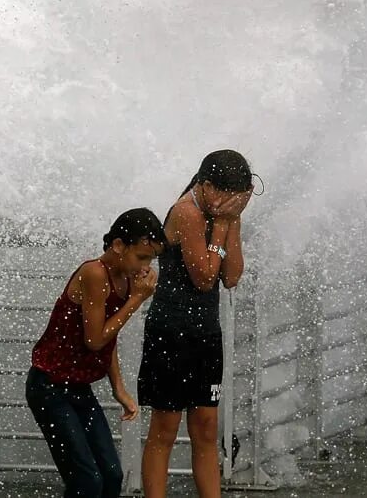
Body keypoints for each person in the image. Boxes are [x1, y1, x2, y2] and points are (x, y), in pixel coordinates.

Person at [26, 208, 165, 498]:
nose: (146, 267)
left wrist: (119, 388)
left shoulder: (125, 279)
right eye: (141, 257)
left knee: (112, 477)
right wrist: (137, 300)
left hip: (78, 389)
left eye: (151, 259)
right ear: (117, 245)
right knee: (87, 482)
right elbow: (95, 340)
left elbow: (108, 336)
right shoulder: (94, 273)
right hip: (49, 388)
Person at [139, 150, 254, 498]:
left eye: (239, 195)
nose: (232, 201)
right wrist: (220, 228)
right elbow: (204, 277)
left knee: (206, 428)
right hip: (171, 331)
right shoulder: (187, 212)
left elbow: (231, 276)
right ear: (205, 186)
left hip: (205, 333)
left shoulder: (227, 215)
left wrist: (230, 223)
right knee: (165, 428)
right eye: (226, 193)